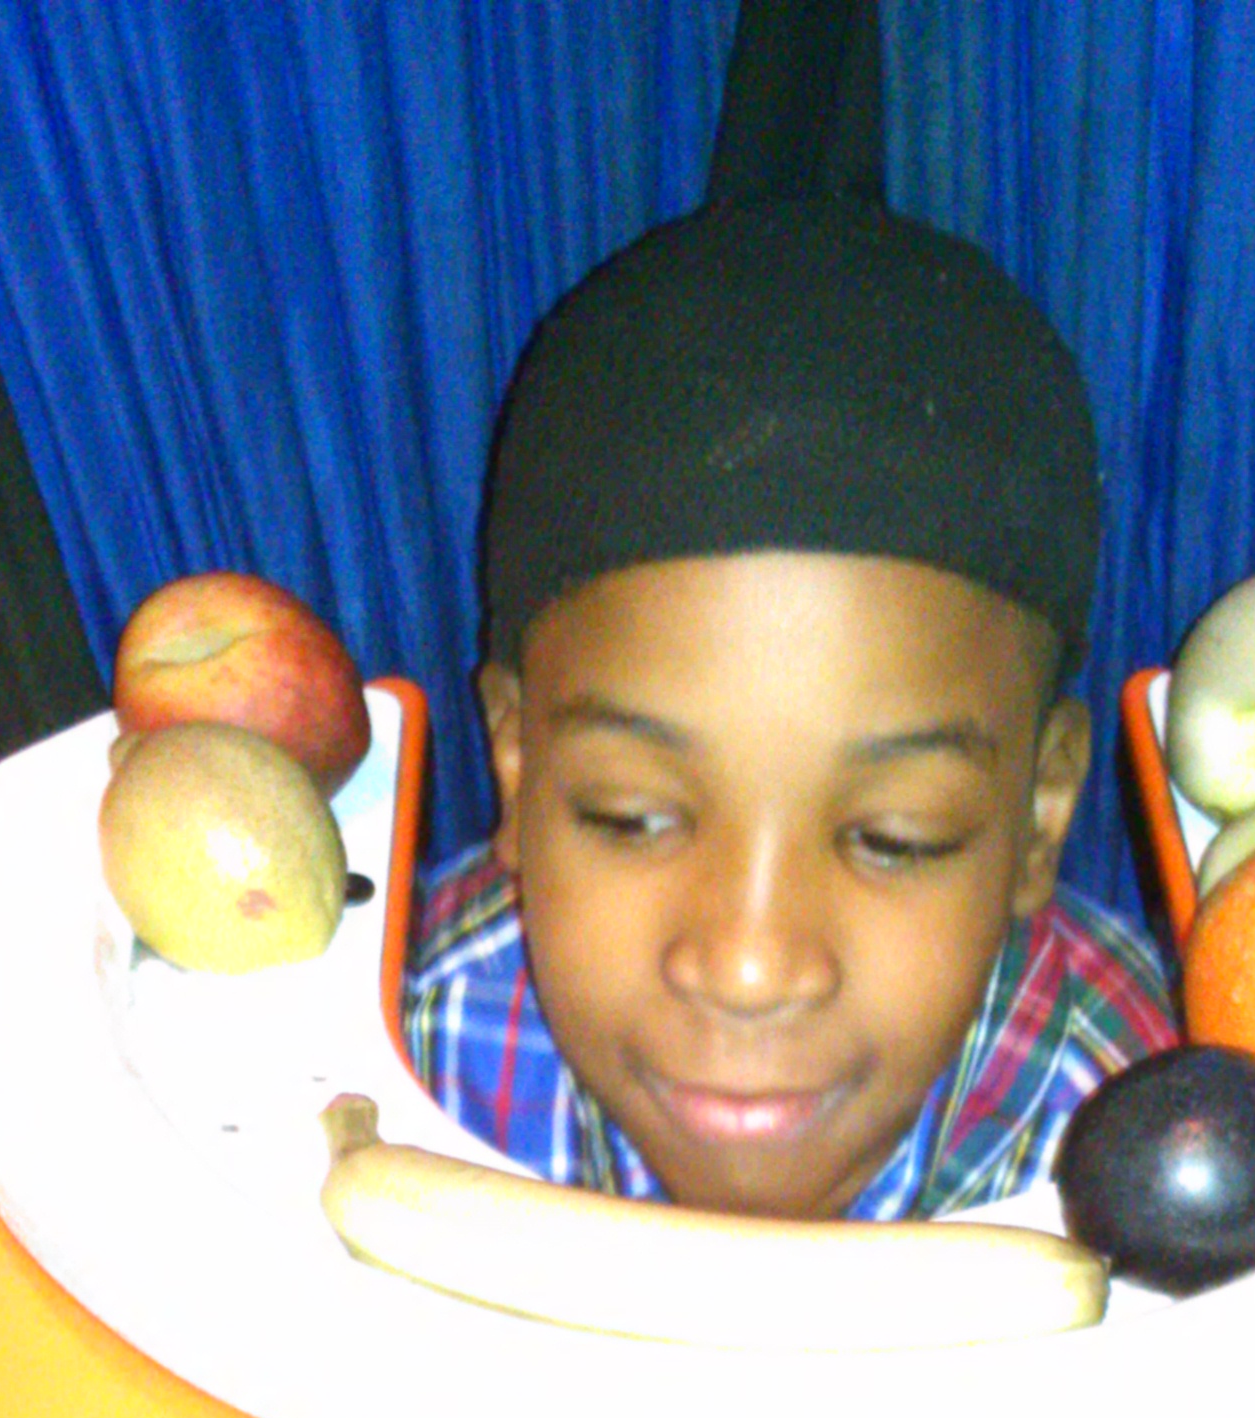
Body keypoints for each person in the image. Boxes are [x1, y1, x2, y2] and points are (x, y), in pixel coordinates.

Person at [403, 195, 1174, 1223]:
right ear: (516, 762)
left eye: (897, 838)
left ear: (1040, 812)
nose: (750, 967)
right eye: (630, 816)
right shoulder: (400, 1058)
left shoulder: (1129, 1118)